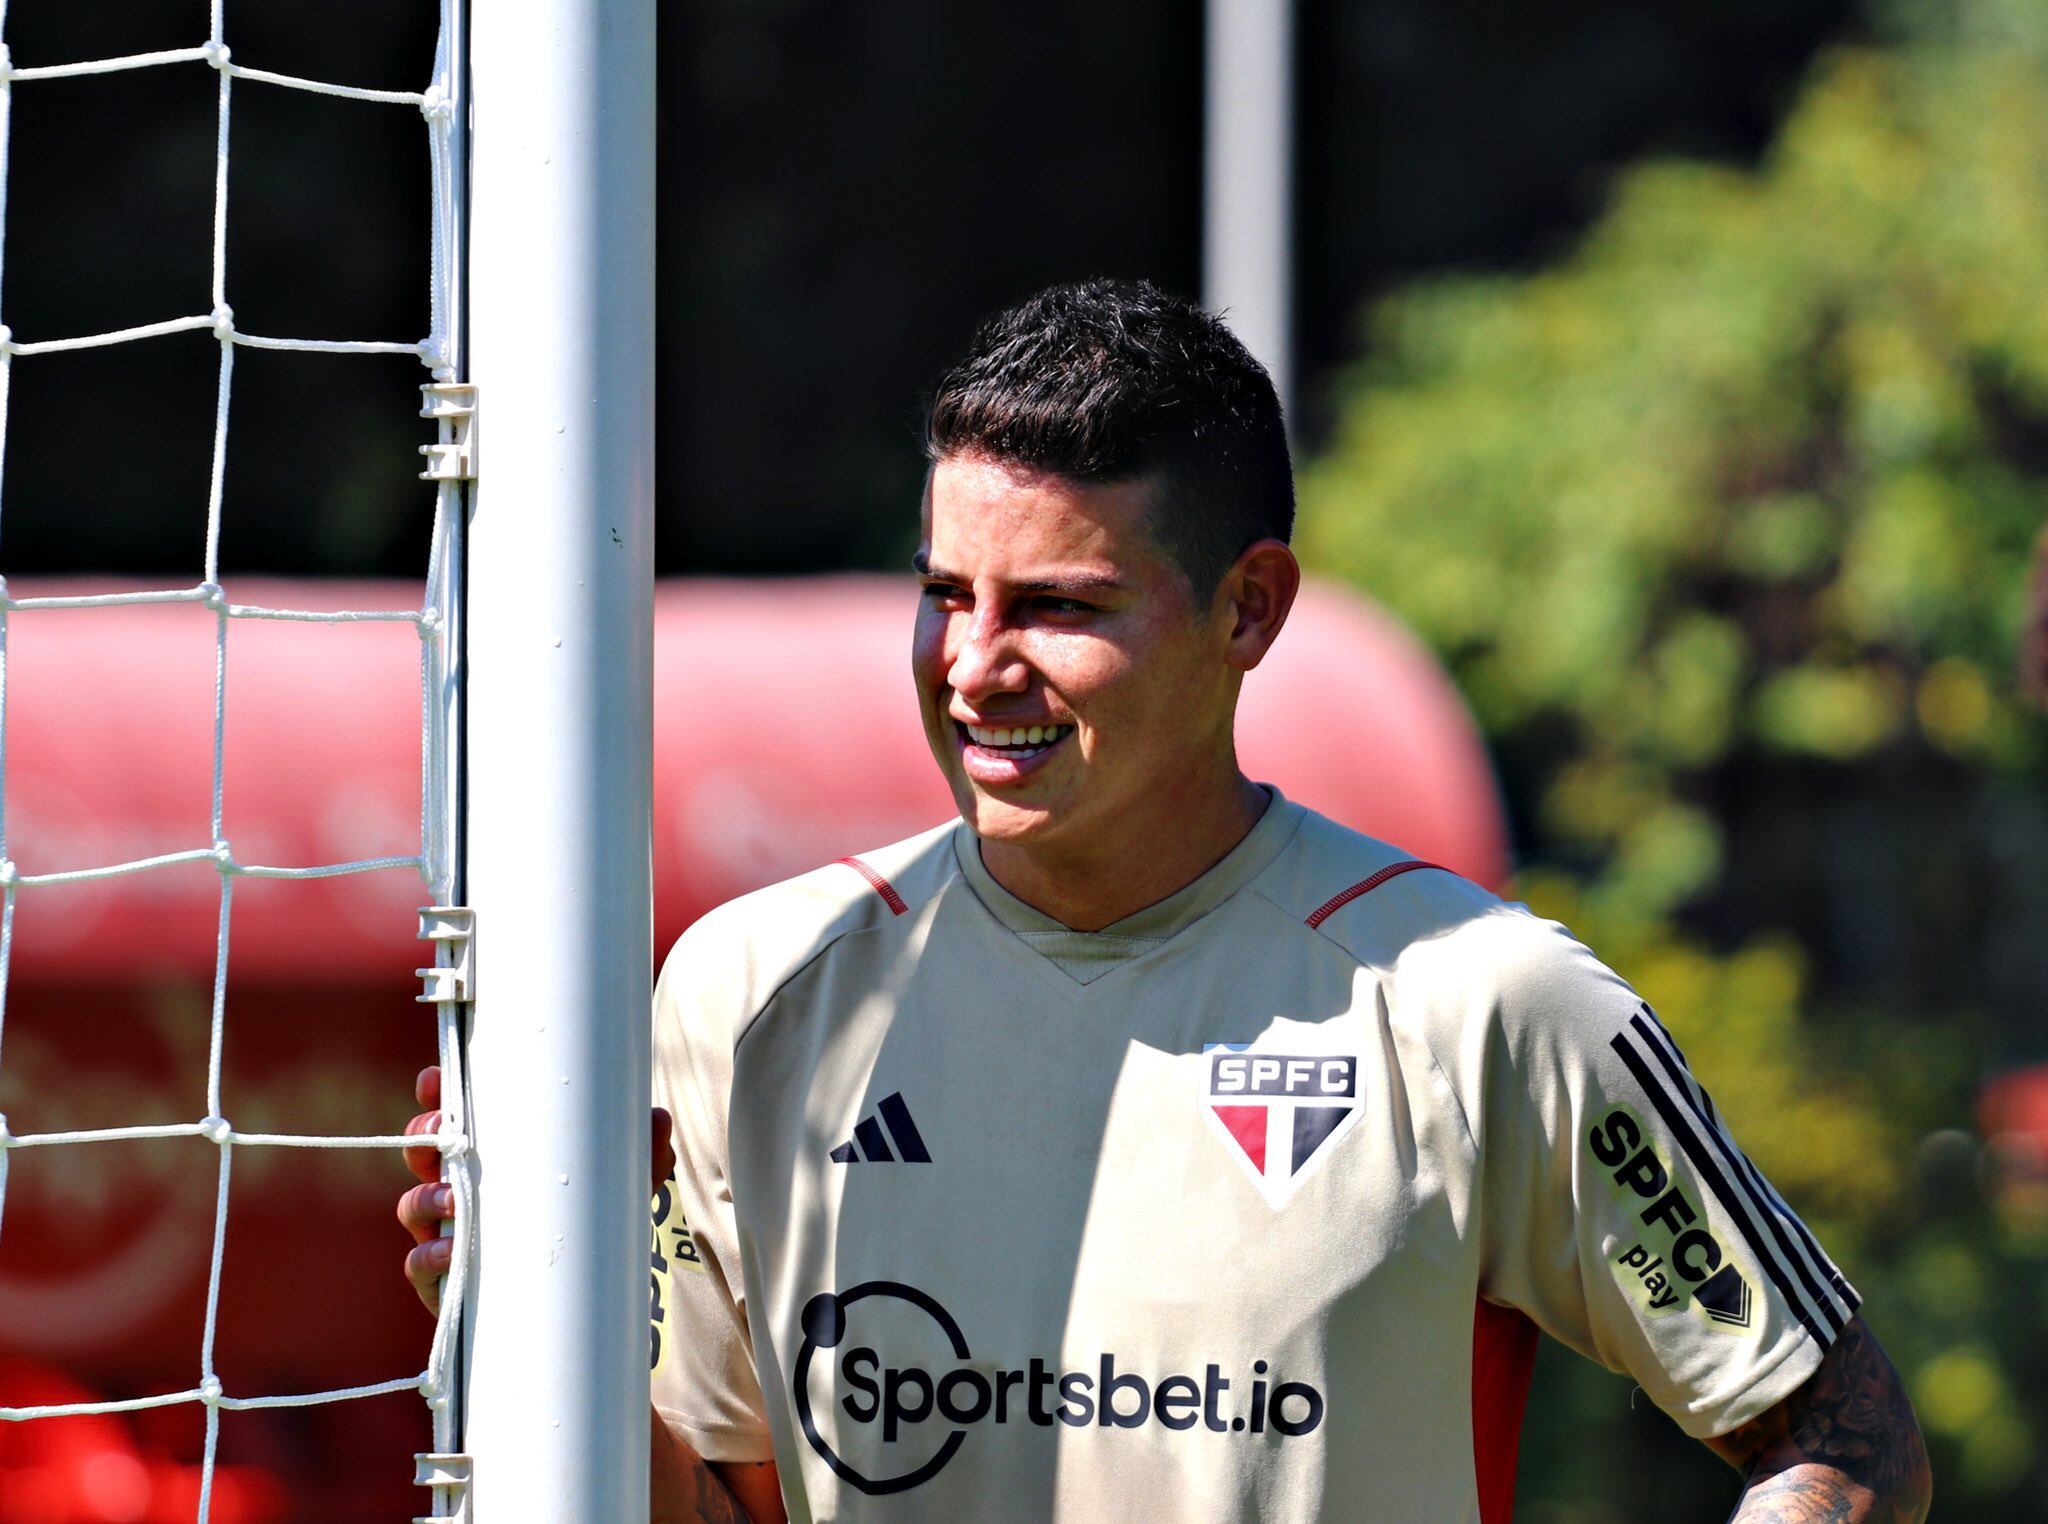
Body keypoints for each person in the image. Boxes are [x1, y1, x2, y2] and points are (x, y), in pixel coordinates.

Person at [398, 279, 1930, 1523]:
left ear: (1248, 608)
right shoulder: (753, 990)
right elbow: (727, 1510)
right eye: (946, 595)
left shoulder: (1483, 1002)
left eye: (1060, 608)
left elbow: (1844, 1439)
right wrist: (520, 1311)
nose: (975, 666)